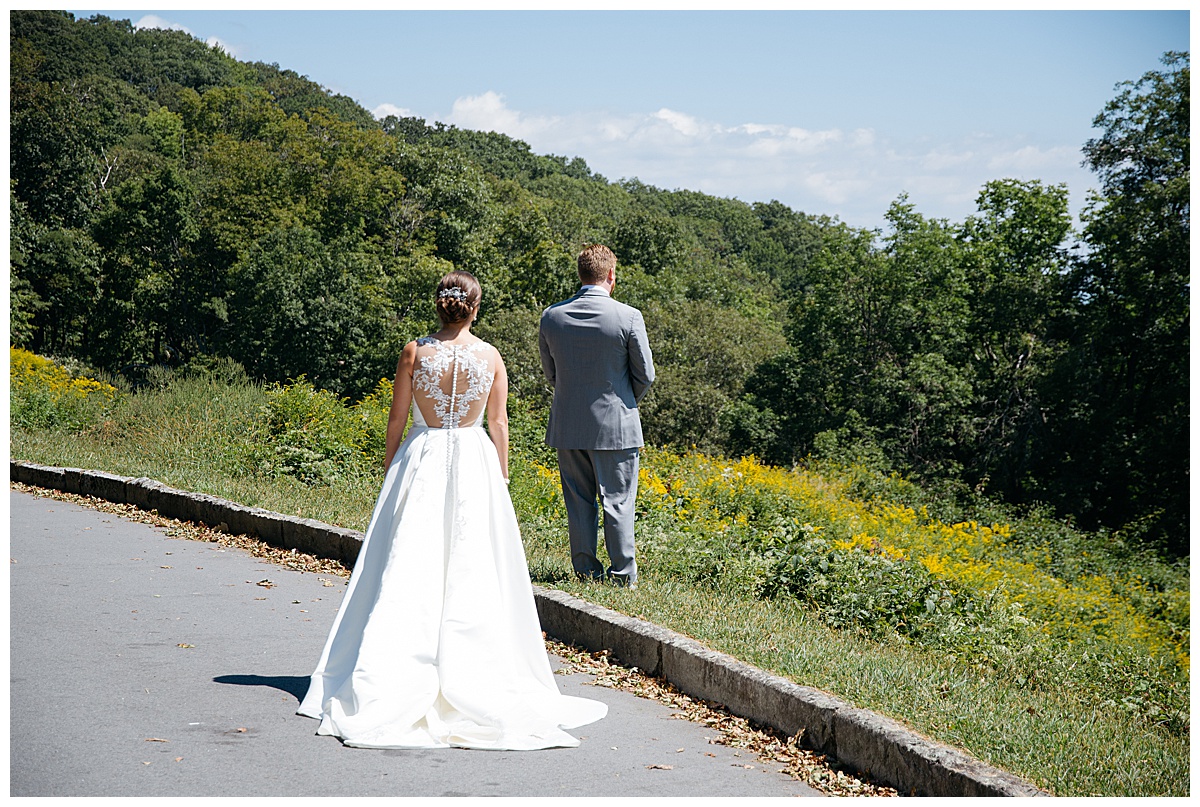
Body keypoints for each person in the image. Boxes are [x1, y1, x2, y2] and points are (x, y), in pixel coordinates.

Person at [297, 270, 607, 750]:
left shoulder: (414, 351)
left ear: (439, 305)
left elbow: (397, 417)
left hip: (421, 458)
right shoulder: (491, 356)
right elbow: (498, 422)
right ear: (475, 308)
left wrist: (390, 466)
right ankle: (475, 666)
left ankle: (396, 664)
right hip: (473, 459)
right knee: (473, 563)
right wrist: (500, 476)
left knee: (408, 561)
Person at [538, 244, 655, 588]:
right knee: (618, 501)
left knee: (577, 501)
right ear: (611, 275)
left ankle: (586, 572)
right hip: (616, 427)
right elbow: (645, 374)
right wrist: (623, 402)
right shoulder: (628, 317)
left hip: (568, 424)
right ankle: (622, 576)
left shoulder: (552, 316)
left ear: (581, 275)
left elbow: (551, 374)